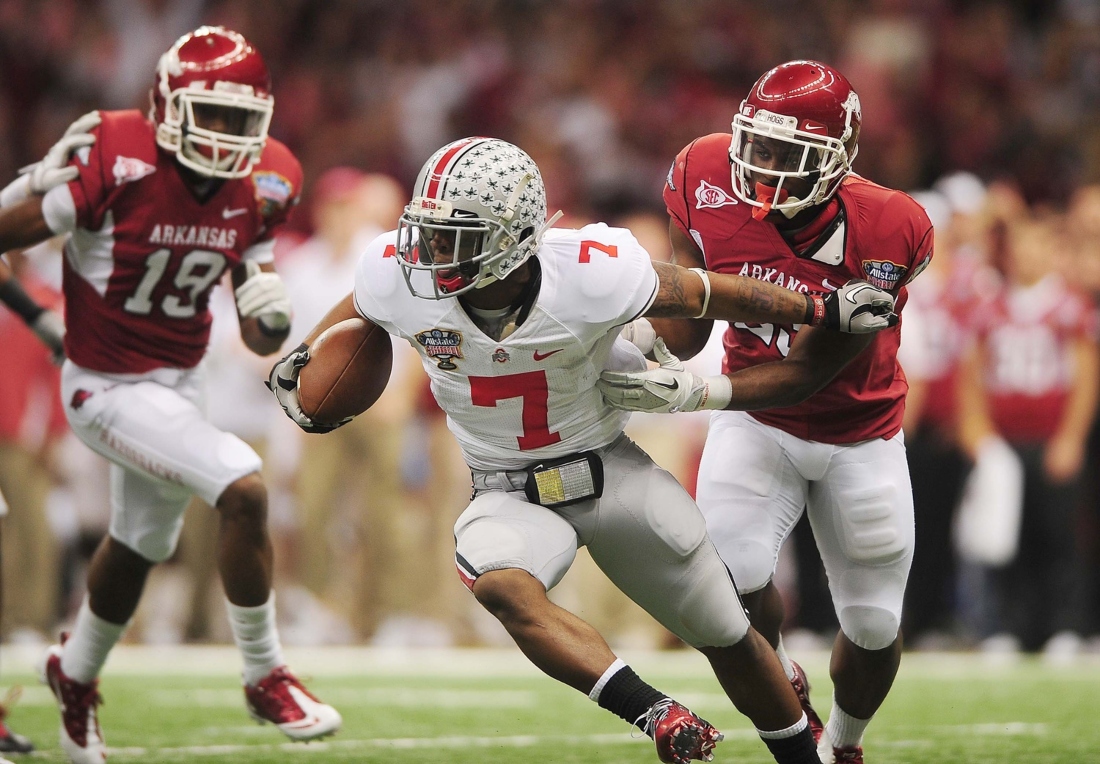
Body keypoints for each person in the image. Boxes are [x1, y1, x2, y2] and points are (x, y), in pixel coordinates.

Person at [268, 136, 896, 764]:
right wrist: (304, 364)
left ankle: (805, 753)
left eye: (454, 234)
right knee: (498, 579)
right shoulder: (397, 274)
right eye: (428, 229)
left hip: (611, 471)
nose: (431, 249)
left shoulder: (590, 270)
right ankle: (657, 714)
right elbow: (356, 318)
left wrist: (819, 306)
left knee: (728, 633)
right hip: (506, 488)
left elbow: (701, 292)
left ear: (513, 236)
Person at [0, 26, 340, 764]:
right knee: (243, 487)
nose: (223, 135)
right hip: (103, 383)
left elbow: (256, 329)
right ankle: (264, 672)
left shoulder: (271, 174)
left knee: (139, 544)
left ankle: (73, 672)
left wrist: (264, 309)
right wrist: (30, 189)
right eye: (208, 114)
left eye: (238, 118)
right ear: (166, 104)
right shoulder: (115, 150)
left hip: (180, 384)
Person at [598, 61, 935, 764]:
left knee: (873, 626)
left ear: (839, 158)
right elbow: (691, 309)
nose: (765, 169)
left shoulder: (889, 225)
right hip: (757, 426)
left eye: (790, 156)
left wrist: (696, 393)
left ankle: (844, 742)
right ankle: (784, 681)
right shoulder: (701, 168)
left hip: (859, 431)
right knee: (730, 587)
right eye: (758, 145)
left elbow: (811, 369)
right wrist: (639, 336)